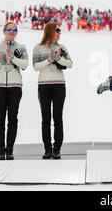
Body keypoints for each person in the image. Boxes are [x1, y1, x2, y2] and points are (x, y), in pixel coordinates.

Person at [33, 22, 73, 160]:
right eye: (57, 30)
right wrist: (49, 59)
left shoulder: (62, 47)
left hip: (59, 85)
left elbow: (70, 64)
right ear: (50, 31)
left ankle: (57, 149)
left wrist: (59, 58)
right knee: (45, 119)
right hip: (43, 85)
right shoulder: (38, 48)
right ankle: (47, 149)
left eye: (60, 30)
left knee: (57, 118)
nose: (59, 33)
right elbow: (35, 66)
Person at [0, 22, 29, 160]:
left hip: (15, 86)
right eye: (9, 29)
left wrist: (12, 57)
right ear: (4, 31)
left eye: (14, 29)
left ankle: (10, 149)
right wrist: (1, 60)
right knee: (0, 118)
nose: (11, 31)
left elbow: (25, 64)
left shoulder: (21, 47)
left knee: (13, 118)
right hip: (0, 85)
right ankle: (1, 150)